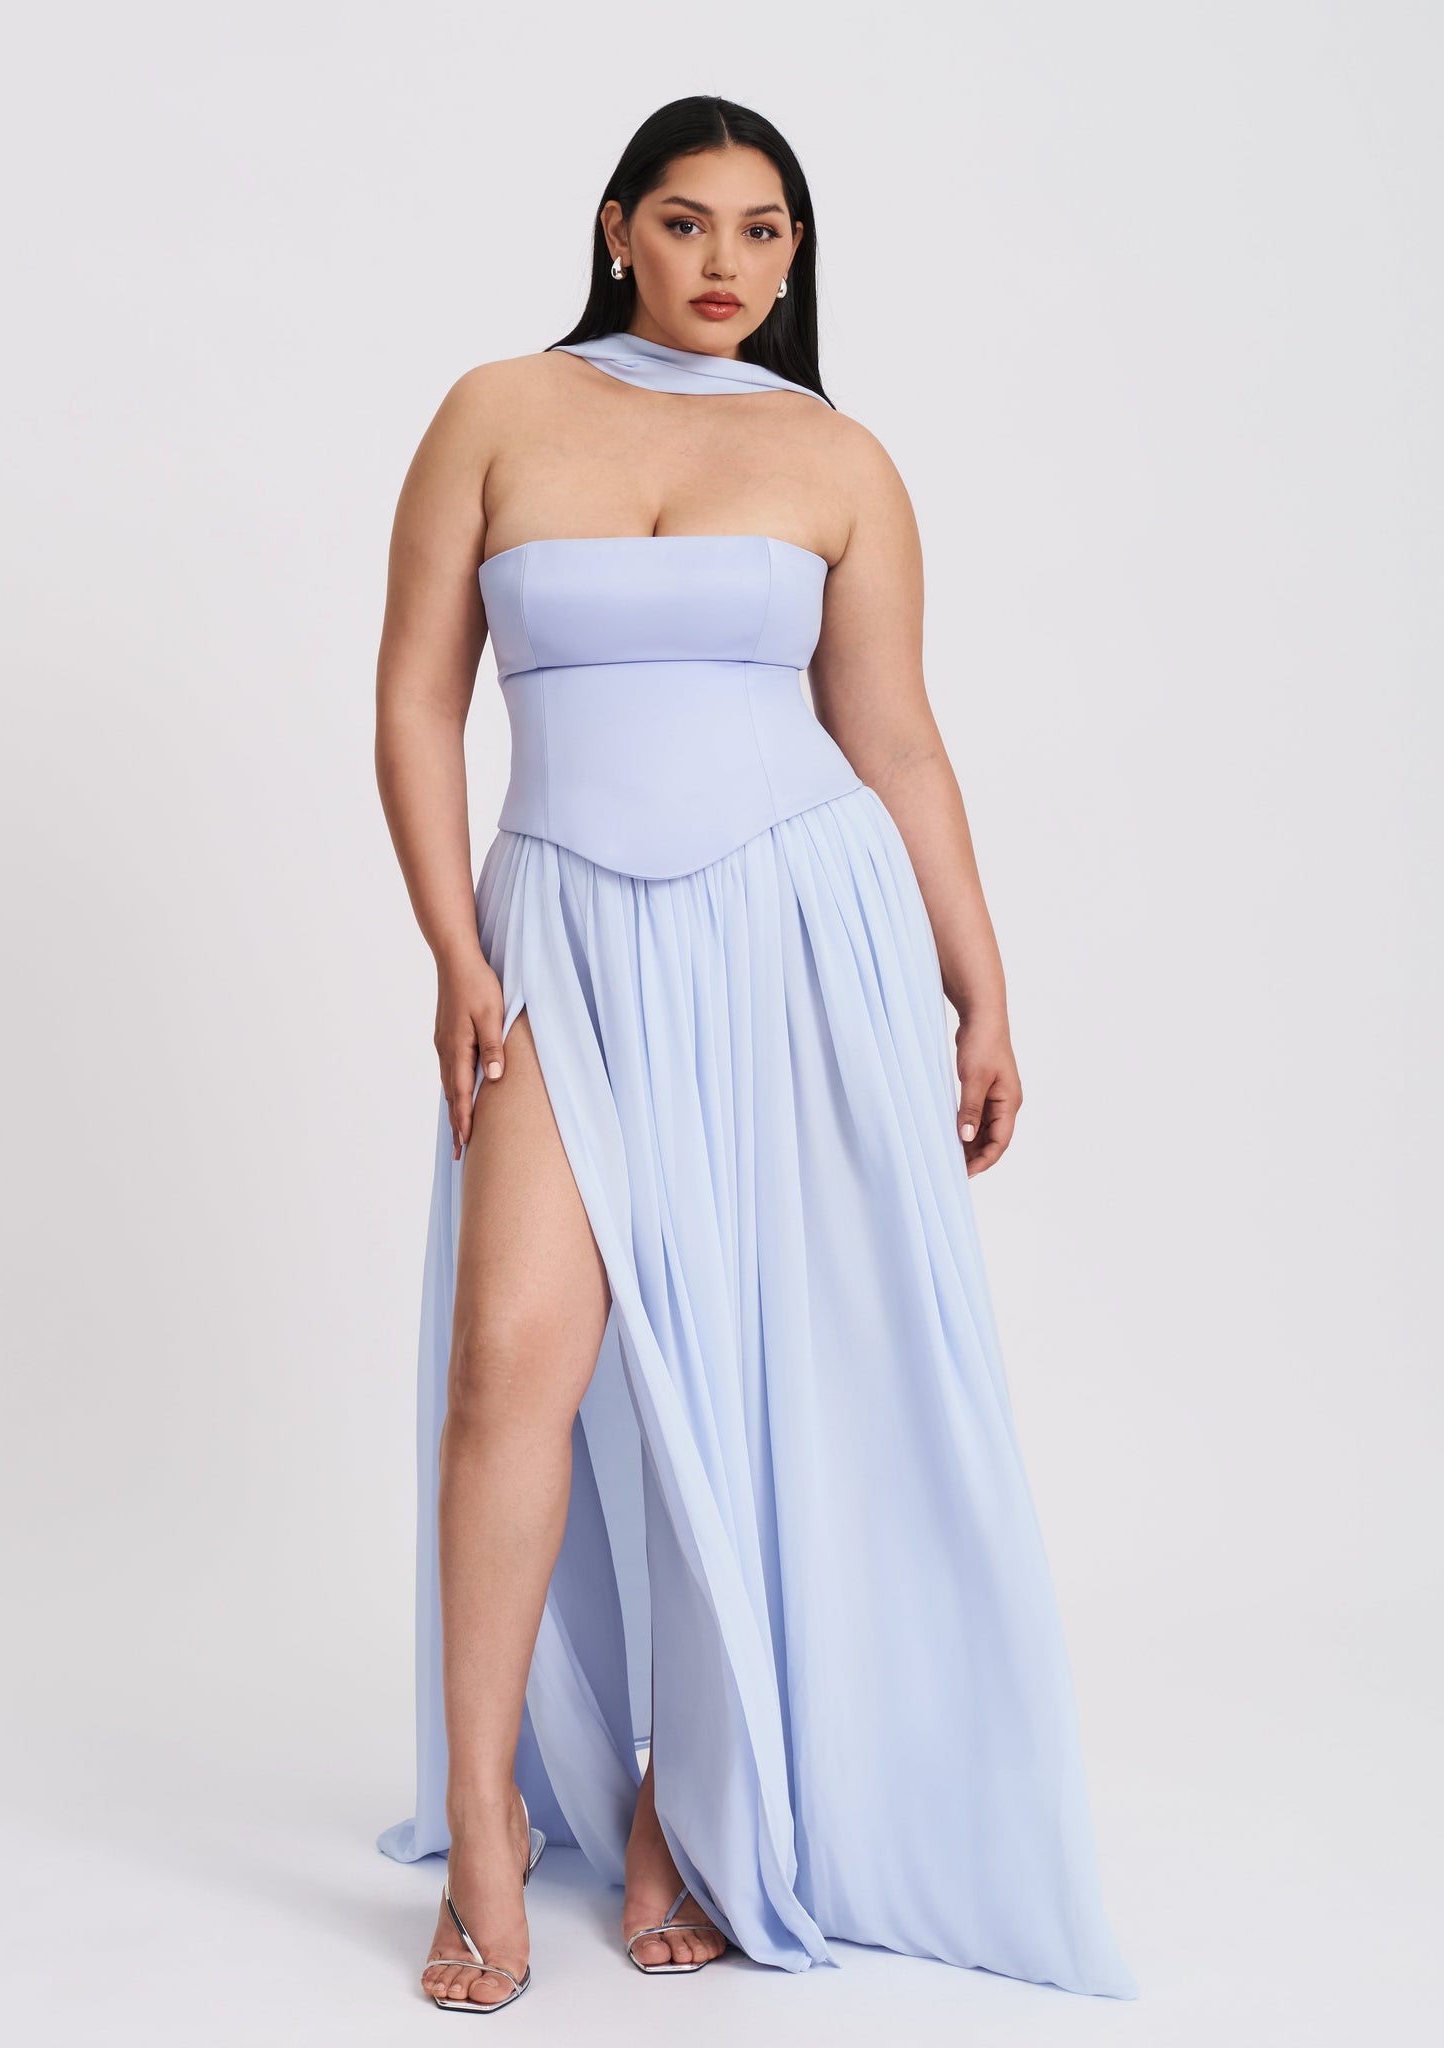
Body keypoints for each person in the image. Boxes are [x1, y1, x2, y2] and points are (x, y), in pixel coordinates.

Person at [373, 94, 1136, 2012]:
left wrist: (980, 984)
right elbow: (412, 698)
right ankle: (483, 1823)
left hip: (792, 939)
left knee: (754, 1370)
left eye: (767, 231)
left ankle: (684, 1807)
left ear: (796, 254)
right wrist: (454, 949)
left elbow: (897, 738)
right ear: (617, 228)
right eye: (691, 222)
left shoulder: (837, 456)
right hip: (560, 936)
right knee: (510, 1364)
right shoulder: (495, 411)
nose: (729, 263)